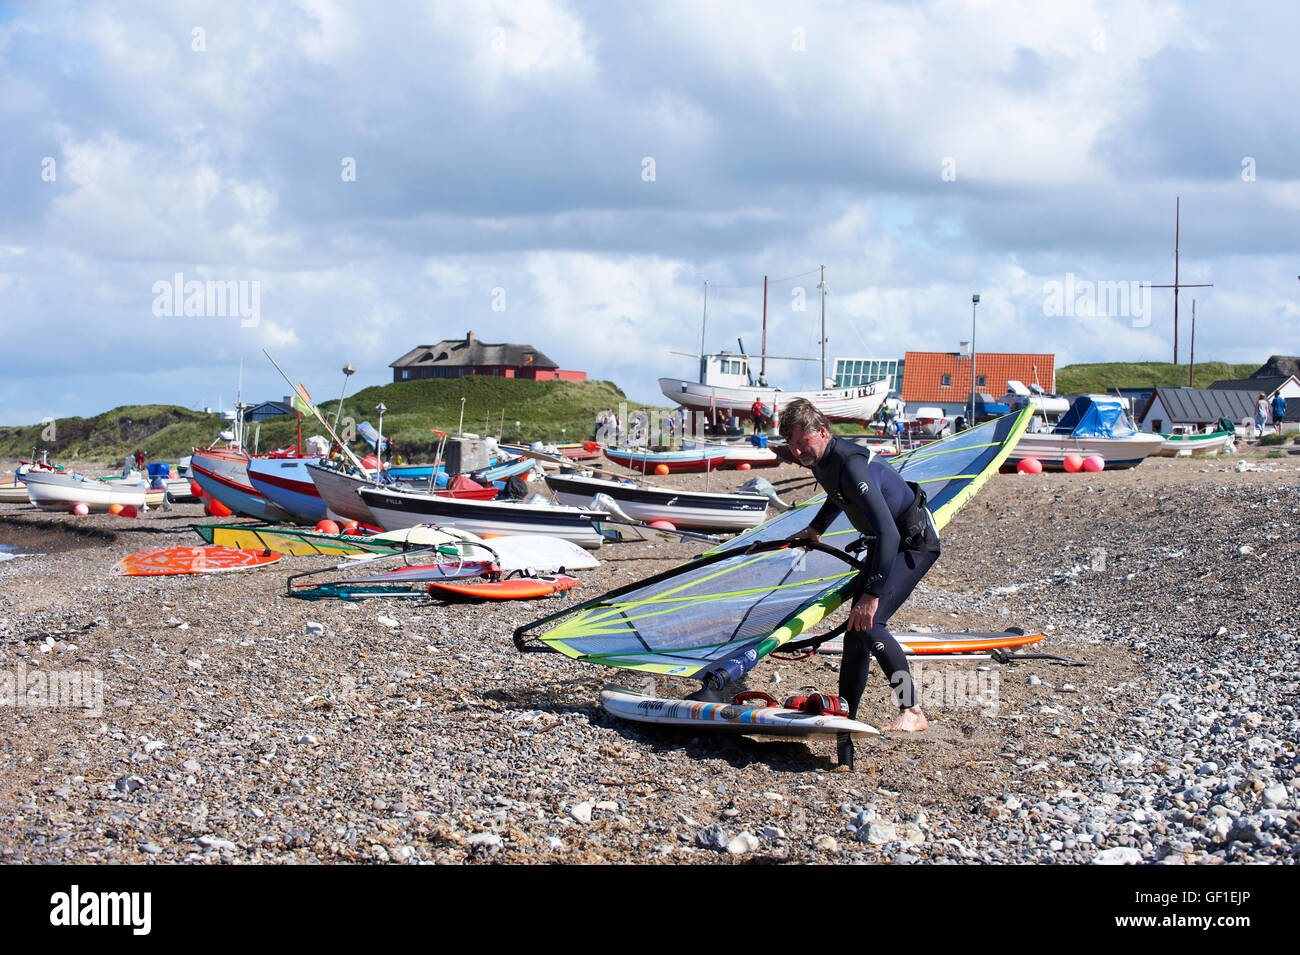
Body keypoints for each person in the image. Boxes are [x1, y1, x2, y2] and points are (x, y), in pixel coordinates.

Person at [781, 398, 939, 768]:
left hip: (910, 544)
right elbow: (837, 496)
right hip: (886, 545)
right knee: (855, 633)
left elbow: (888, 533)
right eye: (793, 446)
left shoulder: (851, 465)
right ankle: (846, 713)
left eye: (804, 442)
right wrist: (816, 529)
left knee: (871, 621)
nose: (800, 451)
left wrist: (870, 595)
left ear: (824, 431)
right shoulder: (820, 460)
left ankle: (912, 708)